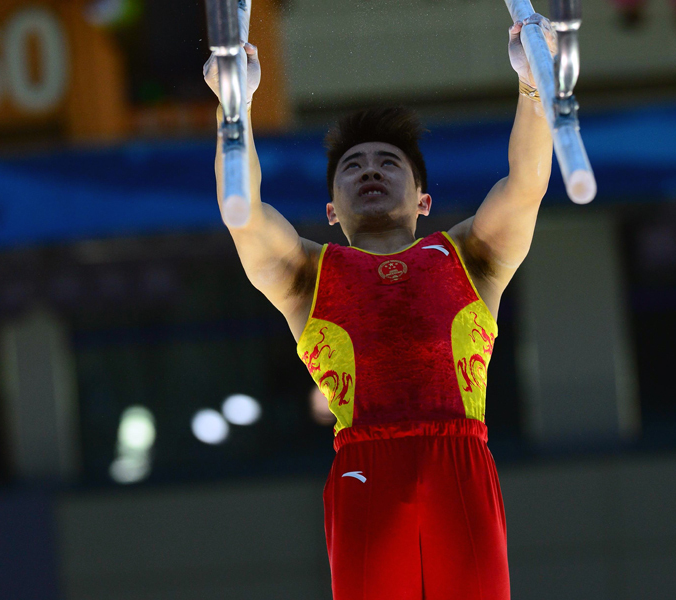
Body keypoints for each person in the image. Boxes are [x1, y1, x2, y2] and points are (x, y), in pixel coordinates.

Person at [204, 13, 556, 600]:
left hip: (459, 458)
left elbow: (527, 184)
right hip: (366, 464)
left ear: (423, 199)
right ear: (332, 210)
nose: (369, 169)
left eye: (388, 162)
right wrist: (232, 106)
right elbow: (241, 211)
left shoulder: (471, 257)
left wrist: (532, 82)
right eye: (353, 166)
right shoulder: (306, 275)